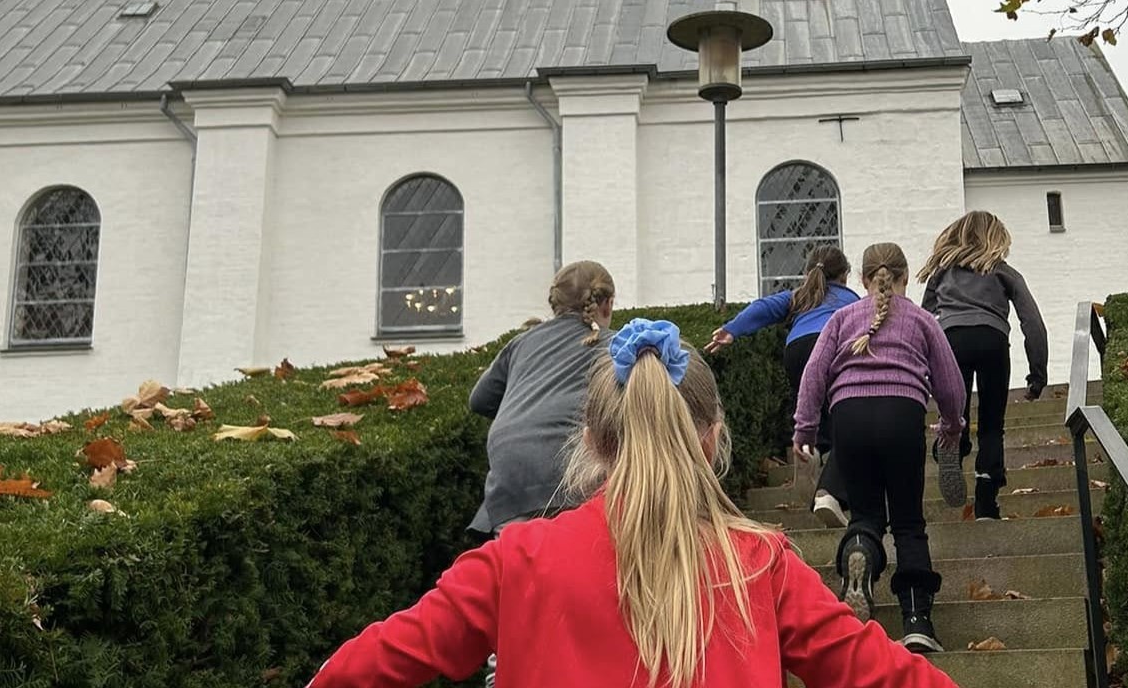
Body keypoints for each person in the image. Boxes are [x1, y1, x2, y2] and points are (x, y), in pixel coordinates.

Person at [307, 319, 963, 688]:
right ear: (713, 441)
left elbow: (362, 670)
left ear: (592, 441)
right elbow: (889, 677)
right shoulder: (759, 565)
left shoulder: (516, 559)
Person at [793, 243, 967, 654]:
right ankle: (917, 620)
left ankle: (860, 552)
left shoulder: (841, 318)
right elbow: (950, 383)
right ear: (904, 277)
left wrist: (805, 429)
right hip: (902, 414)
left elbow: (814, 373)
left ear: (863, 279)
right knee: (907, 522)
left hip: (848, 418)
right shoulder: (922, 319)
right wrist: (952, 425)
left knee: (865, 514)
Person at [466, 260, 615, 687]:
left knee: (516, 585)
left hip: (509, 475)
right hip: (573, 473)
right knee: (585, 581)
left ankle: (502, 673)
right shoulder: (613, 345)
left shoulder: (522, 344)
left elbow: (479, 400)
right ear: (605, 304)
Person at [705, 245, 858, 528]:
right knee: (849, 421)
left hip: (796, 350)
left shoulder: (800, 296)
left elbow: (763, 307)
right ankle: (828, 493)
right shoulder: (851, 299)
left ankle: (811, 448)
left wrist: (732, 329)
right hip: (831, 347)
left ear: (809, 273)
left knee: (816, 413)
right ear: (845, 276)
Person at [917, 211, 1048, 522]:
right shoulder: (1005, 272)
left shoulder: (943, 272)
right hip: (993, 341)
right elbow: (1033, 323)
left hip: (951, 341)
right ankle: (986, 503)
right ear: (996, 238)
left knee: (955, 413)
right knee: (991, 424)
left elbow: (923, 320)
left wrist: (922, 372)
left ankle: (953, 443)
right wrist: (1037, 375)